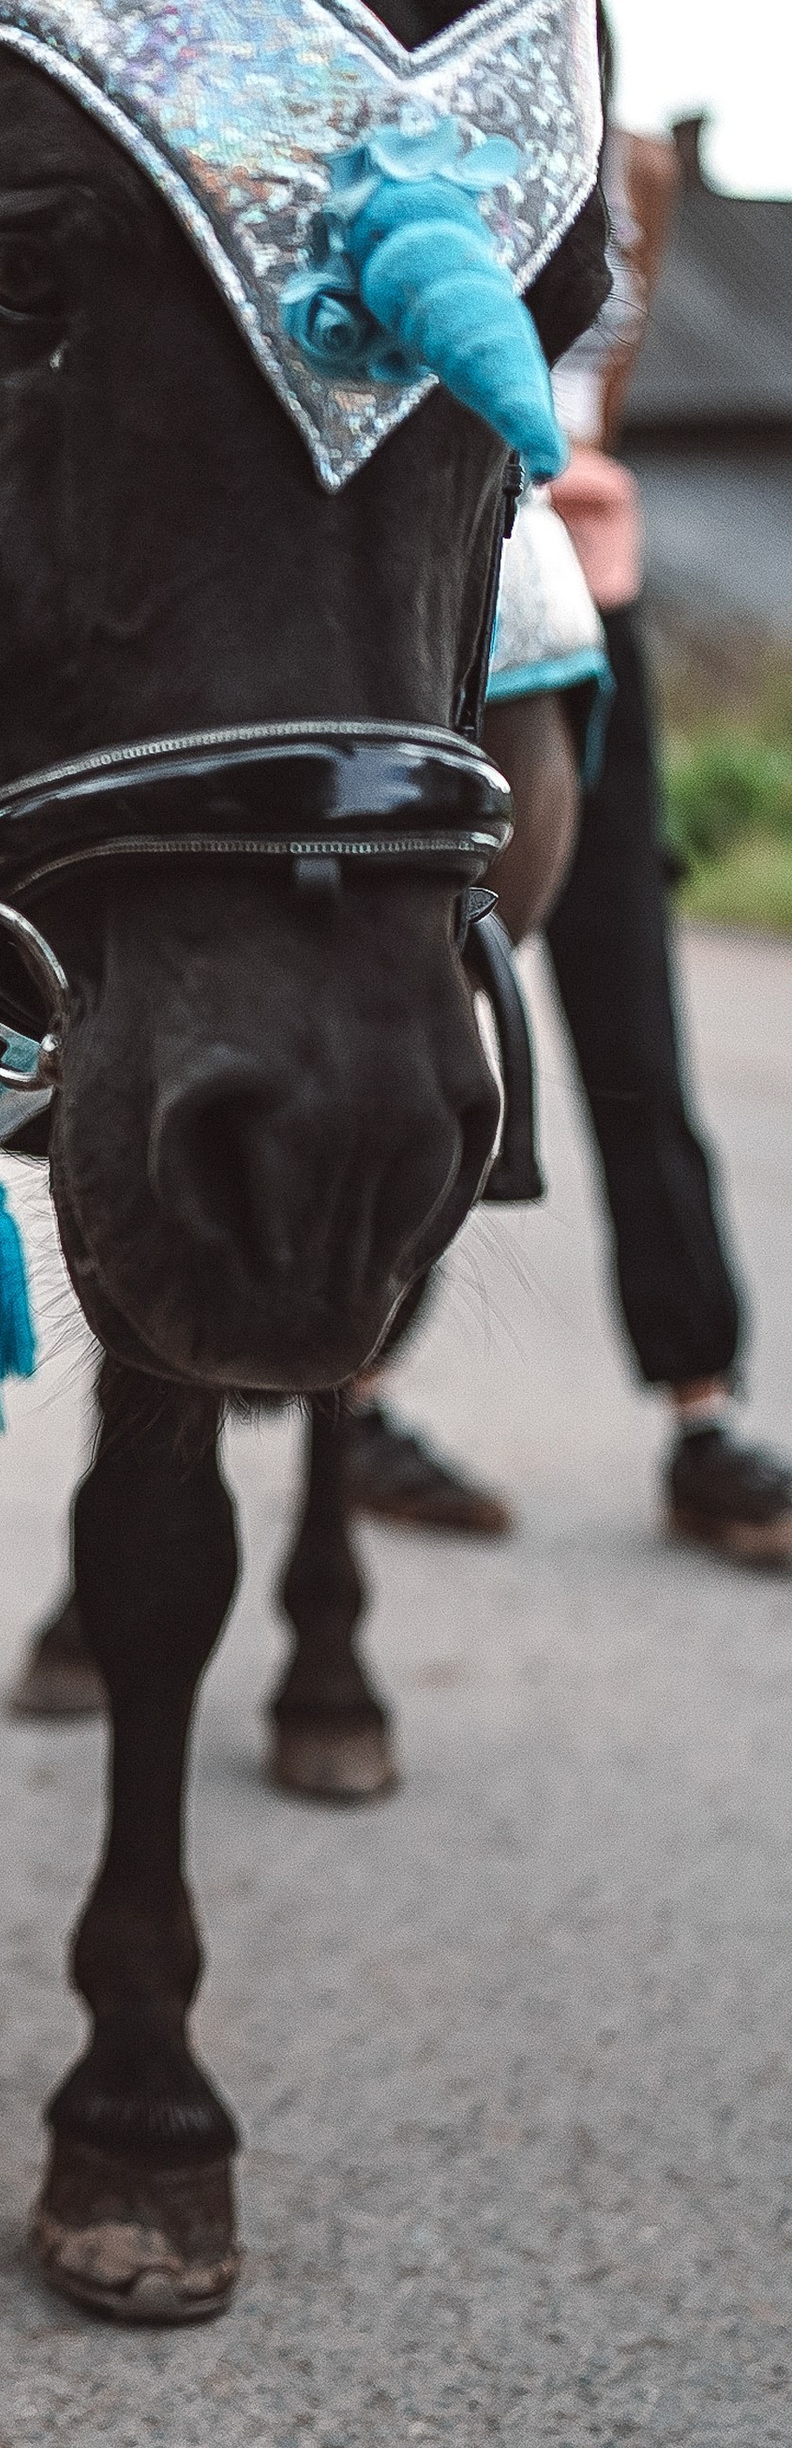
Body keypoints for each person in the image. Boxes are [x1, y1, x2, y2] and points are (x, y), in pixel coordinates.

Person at [343, 109, 792, 1570]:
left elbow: (590, 414)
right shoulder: (397, 124)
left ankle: (704, 1416)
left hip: (588, 620)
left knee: (634, 1031)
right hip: (425, 619)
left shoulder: (636, 169)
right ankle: (349, 1397)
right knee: (397, 1031)